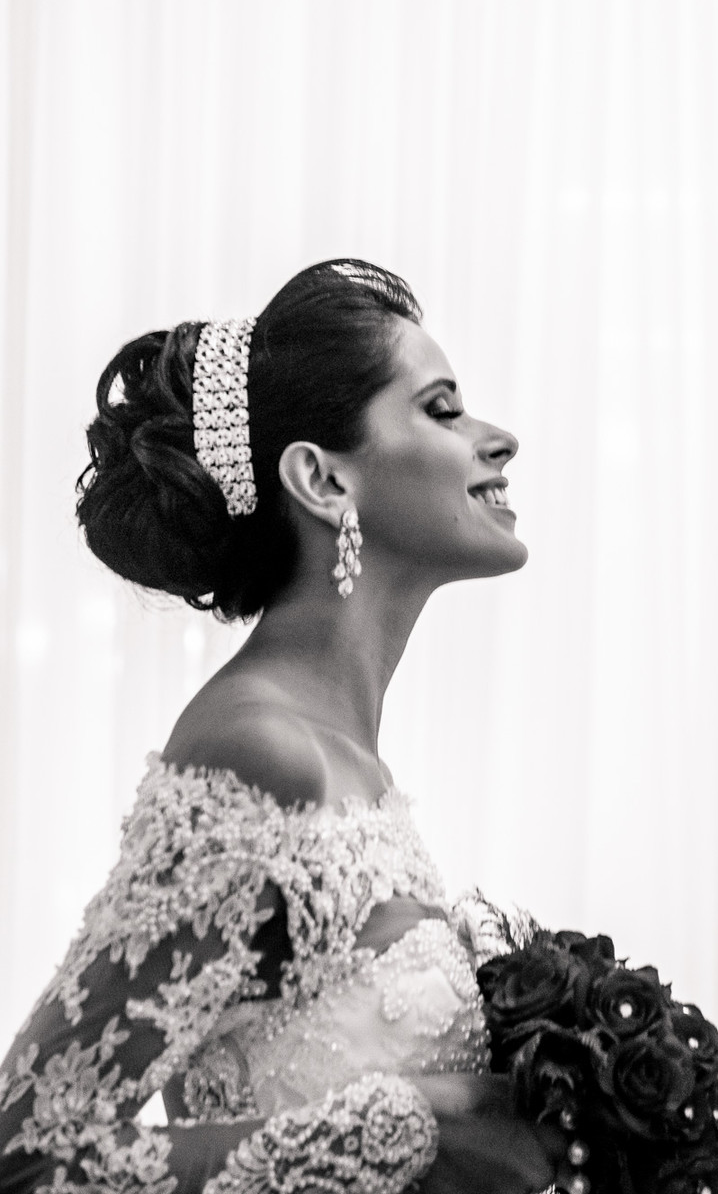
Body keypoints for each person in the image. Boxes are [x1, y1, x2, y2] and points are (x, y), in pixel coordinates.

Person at [0, 259, 563, 1194]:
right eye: (442, 409)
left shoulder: (357, 771)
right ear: (321, 478)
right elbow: (29, 1154)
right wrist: (413, 1134)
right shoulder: (260, 751)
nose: (498, 439)